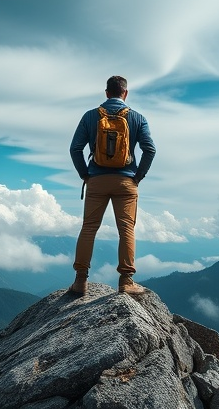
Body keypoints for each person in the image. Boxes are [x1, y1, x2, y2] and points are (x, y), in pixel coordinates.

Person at [69, 76, 156, 295]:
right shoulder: (137, 118)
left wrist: (86, 175)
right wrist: (137, 177)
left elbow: (75, 148)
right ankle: (126, 281)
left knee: (89, 228)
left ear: (106, 93)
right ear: (125, 93)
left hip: (96, 180)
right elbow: (150, 149)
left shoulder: (90, 116)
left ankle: (80, 281)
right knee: (126, 228)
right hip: (126, 182)